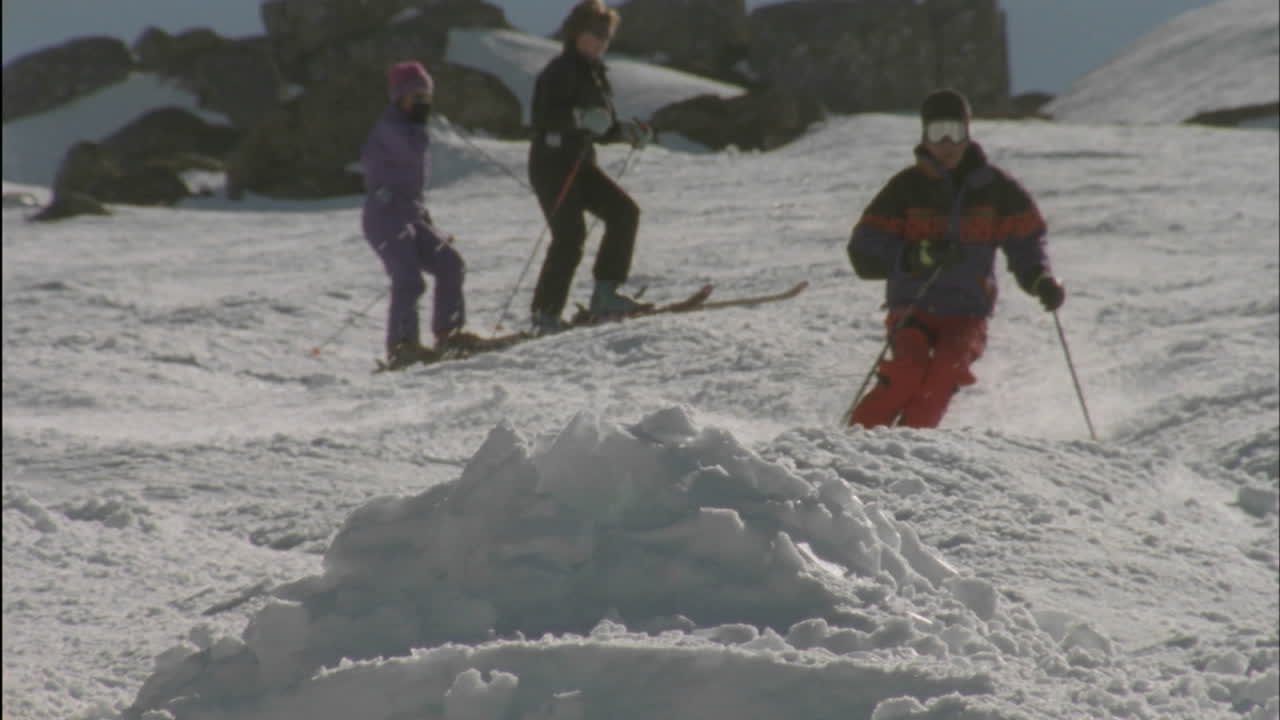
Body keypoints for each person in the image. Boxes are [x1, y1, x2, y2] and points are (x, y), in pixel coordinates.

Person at [845, 88, 1066, 429]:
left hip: (967, 311)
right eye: (937, 133)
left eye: (955, 132)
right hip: (913, 307)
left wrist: (1039, 278)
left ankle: (906, 448)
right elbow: (864, 249)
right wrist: (917, 256)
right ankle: (855, 441)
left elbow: (1026, 240)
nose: (946, 143)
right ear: (924, 136)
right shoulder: (906, 188)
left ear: (967, 133)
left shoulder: (996, 189)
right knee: (908, 372)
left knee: (943, 374)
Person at [527, 0, 655, 333]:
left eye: (606, 35)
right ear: (576, 33)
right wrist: (580, 118)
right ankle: (545, 314)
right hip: (552, 164)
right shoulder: (560, 70)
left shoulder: (594, 73)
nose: (600, 41)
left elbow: (600, 126)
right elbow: (543, 116)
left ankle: (606, 294)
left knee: (624, 212)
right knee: (570, 236)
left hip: (580, 164)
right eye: (594, 33)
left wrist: (623, 131)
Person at [361, 60, 480, 369]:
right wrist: (422, 124)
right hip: (384, 215)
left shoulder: (410, 126)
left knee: (450, 263)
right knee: (408, 278)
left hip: (410, 214)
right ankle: (403, 346)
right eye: (416, 96)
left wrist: (424, 218)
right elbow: (410, 151)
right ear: (399, 97)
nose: (422, 102)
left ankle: (448, 333)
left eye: (426, 95)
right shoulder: (389, 128)